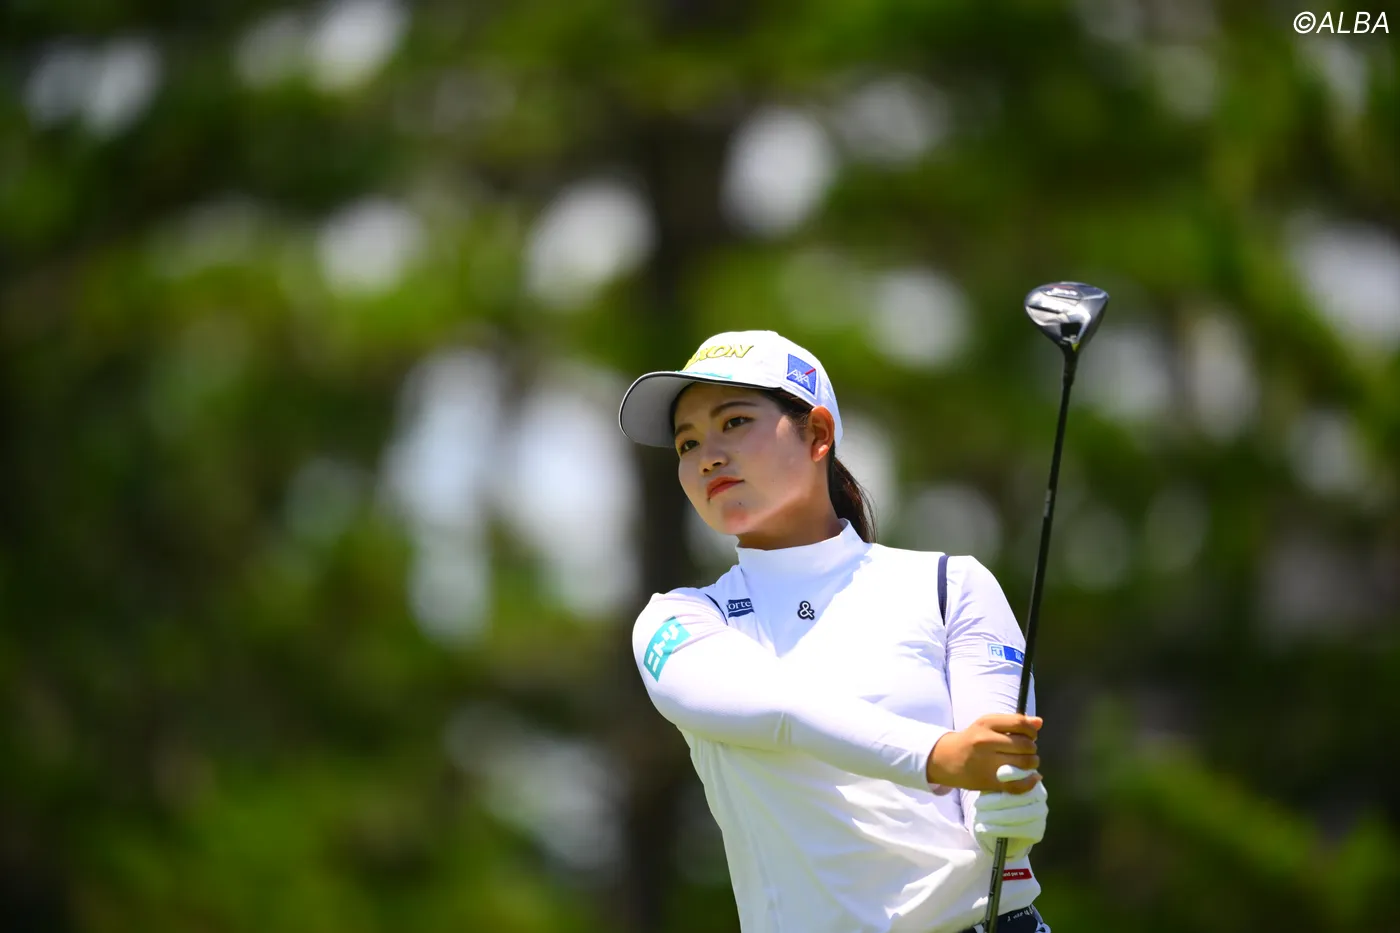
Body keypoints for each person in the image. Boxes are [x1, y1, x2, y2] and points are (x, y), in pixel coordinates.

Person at [616, 331, 1052, 933]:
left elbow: (994, 777)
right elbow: (781, 709)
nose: (706, 457)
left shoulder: (951, 585)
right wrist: (938, 756)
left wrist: (1011, 806)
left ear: (818, 434)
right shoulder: (678, 621)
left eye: (734, 422)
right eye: (687, 442)